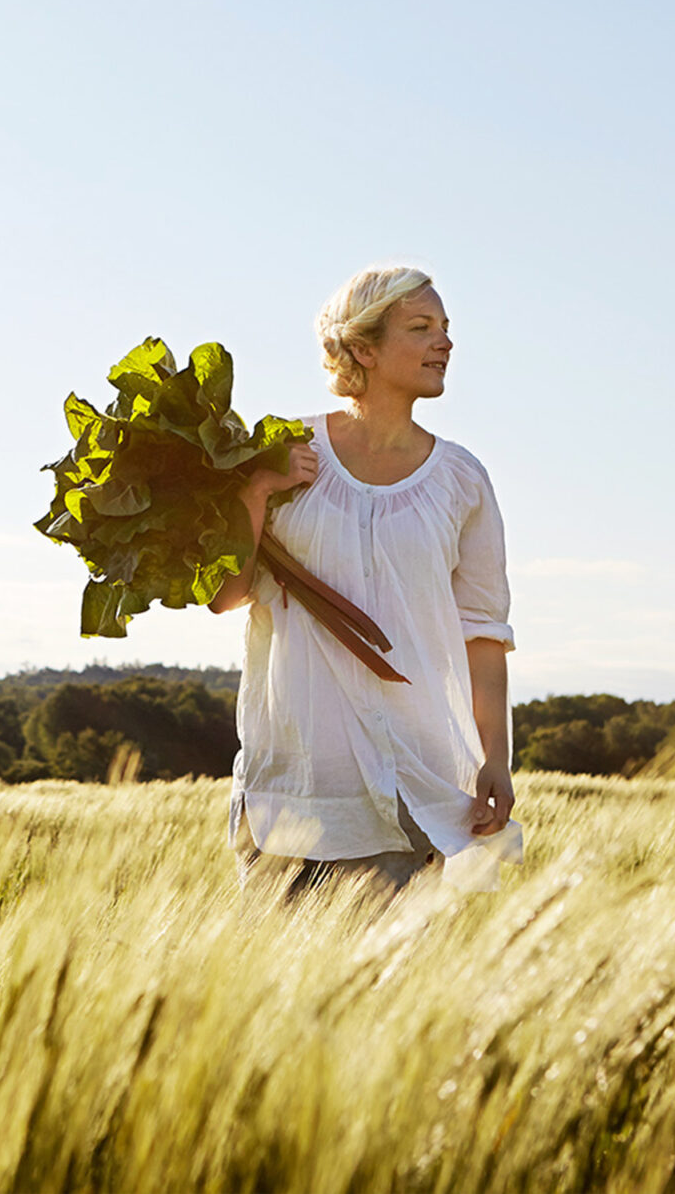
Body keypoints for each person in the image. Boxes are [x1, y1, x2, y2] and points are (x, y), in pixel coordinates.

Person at [208, 264, 522, 899]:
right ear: (362, 348)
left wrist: (496, 758)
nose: (445, 343)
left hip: (416, 785)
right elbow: (225, 596)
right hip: (297, 788)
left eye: (446, 328)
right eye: (421, 327)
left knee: (398, 996)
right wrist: (256, 491)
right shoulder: (280, 452)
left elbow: (483, 632)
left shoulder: (462, 481)